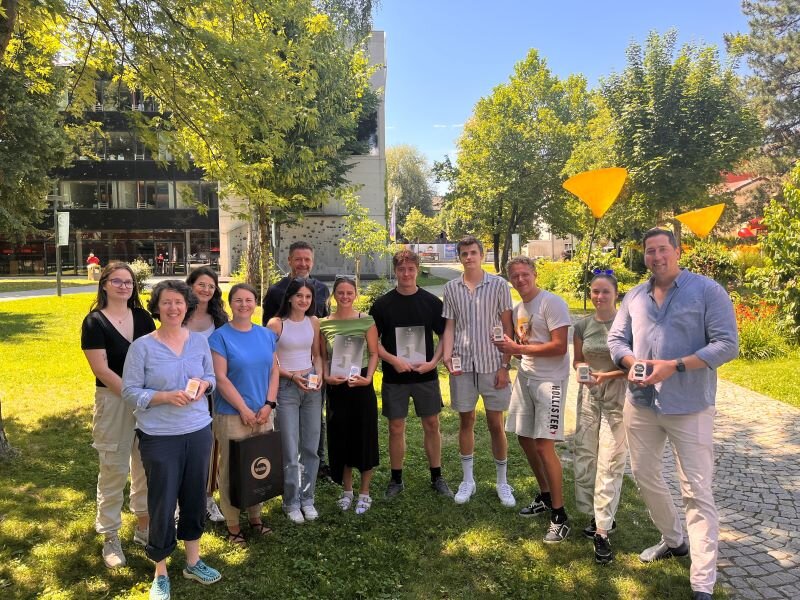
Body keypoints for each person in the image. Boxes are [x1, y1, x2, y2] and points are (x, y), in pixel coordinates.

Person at [607, 228, 738, 600]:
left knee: (696, 490)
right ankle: (674, 540)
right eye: (650, 251)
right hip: (641, 403)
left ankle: (702, 583)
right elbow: (617, 339)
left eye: (663, 249)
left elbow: (727, 344)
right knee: (645, 476)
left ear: (678, 251)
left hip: (689, 405)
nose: (656, 256)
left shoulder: (707, 291)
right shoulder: (634, 295)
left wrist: (675, 365)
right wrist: (630, 361)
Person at [122, 280, 221, 600]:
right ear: (157, 306)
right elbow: (129, 391)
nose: (174, 308)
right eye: (167, 303)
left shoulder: (198, 342)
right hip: (159, 436)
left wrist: (204, 387)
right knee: (163, 502)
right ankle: (160, 571)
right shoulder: (143, 347)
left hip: (198, 431)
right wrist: (164, 396)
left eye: (179, 302)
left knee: (194, 497)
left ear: (187, 306)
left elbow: (211, 377)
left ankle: (193, 561)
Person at [493, 257, 572, 542]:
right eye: (515, 276)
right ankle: (546, 495)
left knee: (543, 444)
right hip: (525, 377)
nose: (520, 279)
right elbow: (522, 347)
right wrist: (509, 350)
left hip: (550, 381)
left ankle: (560, 515)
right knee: (524, 438)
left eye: (525, 274)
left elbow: (560, 347)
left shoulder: (552, 303)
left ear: (535, 274)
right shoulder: (518, 309)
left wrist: (516, 347)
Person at [81, 262, 154, 569]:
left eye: (129, 282)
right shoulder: (94, 322)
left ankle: (143, 526)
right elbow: (101, 369)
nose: (124, 286)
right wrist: (133, 394)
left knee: (145, 466)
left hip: (146, 400)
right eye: (118, 281)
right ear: (105, 284)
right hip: (113, 402)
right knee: (113, 468)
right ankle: (110, 535)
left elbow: (155, 356)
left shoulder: (143, 317)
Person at [369, 249, 453, 499]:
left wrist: (433, 362)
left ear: (418, 270)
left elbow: (444, 335)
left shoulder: (431, 302)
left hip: (425, 375)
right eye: (401, 269)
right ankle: (396, 479)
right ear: (395, 271)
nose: (406, 274)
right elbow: (373, 343)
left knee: (432, 424)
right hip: (395, 377)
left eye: (411, 269)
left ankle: (437, 476)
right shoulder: (383, 305)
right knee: (396, 427)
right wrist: (393, 360)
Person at [441, 236, 514, 507]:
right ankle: (468, 480)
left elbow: (508, 328)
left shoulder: (498, 285)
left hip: (493, 364)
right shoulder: (451, 288)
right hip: (463, 364)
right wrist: (447, 355)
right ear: (459, 257)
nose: (468, 257)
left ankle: (502, 481)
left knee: (496, 424)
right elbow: (449, 325)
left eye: (473, 252)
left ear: (482, 255)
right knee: (466, 421)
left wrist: (505, 365)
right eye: (464, 253)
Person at [209, 284, 279, 546]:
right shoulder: (220, 337)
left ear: (255, 303)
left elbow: (274, 370)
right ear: (230, 304)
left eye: (248, 300)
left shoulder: (266, 335)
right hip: (233, 414)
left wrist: (269, 404)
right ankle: (233, 524)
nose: (244, 304)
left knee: (259, 467)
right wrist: (244, 409)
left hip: (263, 413)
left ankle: (256, 517)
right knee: (232, 470)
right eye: (238, 300)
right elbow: (221, 378)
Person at [261, 241, 331, 478]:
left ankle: (317, 465)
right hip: (285, 372)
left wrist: (321, 368)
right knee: (287, 427)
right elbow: (267, 336)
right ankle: (288, 469)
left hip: (312, 366)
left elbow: (324, 326)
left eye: (307, 259)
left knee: (315, 420)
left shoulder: (322, 289)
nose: (302, 264)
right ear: (289, 260)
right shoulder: (275, 292)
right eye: (298, 259)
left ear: (312, 261)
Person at [572, 271, 628, 563]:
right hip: (589, 398)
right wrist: (584, 373)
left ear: (616, 294)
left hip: (618, 398)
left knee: (610, 460)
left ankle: (603, 531)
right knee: (586, 456)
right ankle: (594, 514)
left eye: (605, 291)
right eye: (595, 291)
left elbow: (635, 366)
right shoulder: (581, 325)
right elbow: (577, 361)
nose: (599, 297)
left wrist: (606, 375)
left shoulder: (627, 325)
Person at [319, 276, 379, 514]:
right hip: (337, 385)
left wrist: (369, 377)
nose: (345, 296)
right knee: (340, 437)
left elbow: (374, 353)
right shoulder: (324, 324)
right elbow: (322, 356)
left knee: (364, 436)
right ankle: (347, 491)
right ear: (334, 295)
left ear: (356, 294)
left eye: (349, 292)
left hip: (361, 384)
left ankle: (364, 493)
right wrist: (326, 377)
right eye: (340, 293)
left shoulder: (367, 321)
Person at [267, 278, 324, 524]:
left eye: (308, 297)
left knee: (311, 447)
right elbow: (270, 363)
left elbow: (318, 355)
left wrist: (319, 374)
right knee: (290, 449)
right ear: (289, 297)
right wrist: (292, 376)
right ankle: (291, 502)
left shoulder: (314, 322)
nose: (304, 300)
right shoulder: (276, 324)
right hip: (287, 388)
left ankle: (307, 498)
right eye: (299, 296)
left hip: (311, 387)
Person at [185, 267, 228, 524]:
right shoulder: (178, 313)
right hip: (181, 391)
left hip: (212, 390)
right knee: (183, 445)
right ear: (190, 286)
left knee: (213, 446)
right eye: (201, 284)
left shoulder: (219, 319)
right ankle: (182, 502)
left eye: (211, 286)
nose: (206, 290)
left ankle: (209, 498)